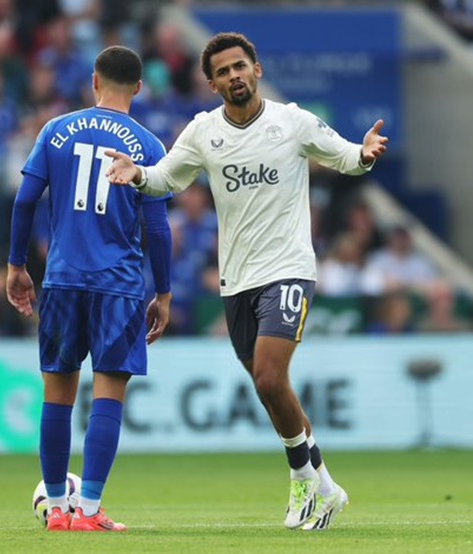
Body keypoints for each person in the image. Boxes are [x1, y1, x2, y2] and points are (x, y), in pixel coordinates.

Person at [105, 32, 389, 531]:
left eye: (240, 66)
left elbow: (345, 157)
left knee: (268, 376)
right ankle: (326, 486)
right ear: (212, 84)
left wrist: (364, 153)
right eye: (223, 71)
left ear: (256, 69)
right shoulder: (202, 132)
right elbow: (167, 178)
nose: (234, 75)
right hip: (237, 281)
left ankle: (302, 477)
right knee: (273, 390)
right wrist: (137, 173)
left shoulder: (291, 121)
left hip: (289, 268)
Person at [6, 45, 173, 532]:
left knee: (56, 394)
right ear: (138, 88)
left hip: (61, 278)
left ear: (94, 81)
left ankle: (57, 509)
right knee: (107, 396)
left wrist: (16, 265)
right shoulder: (148, 145)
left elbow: (24, 201)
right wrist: (162, 292)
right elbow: (158, 230)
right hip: (118, 286)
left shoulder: (56, 129)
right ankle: (92, 510)